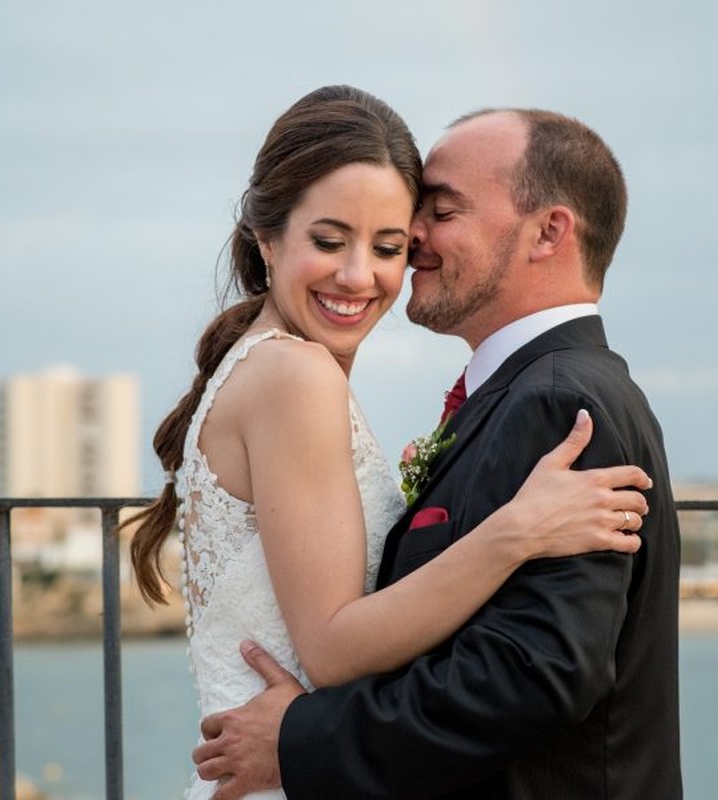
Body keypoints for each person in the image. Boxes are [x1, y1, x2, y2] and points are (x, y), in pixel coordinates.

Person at [127, 86, 655, 800]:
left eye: (388, 246)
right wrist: (515, 532)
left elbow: (535, 669)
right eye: (328, 241)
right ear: (266, 238)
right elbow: (333, 647)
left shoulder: (276, 367)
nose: (359, 276)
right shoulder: (295, 375)